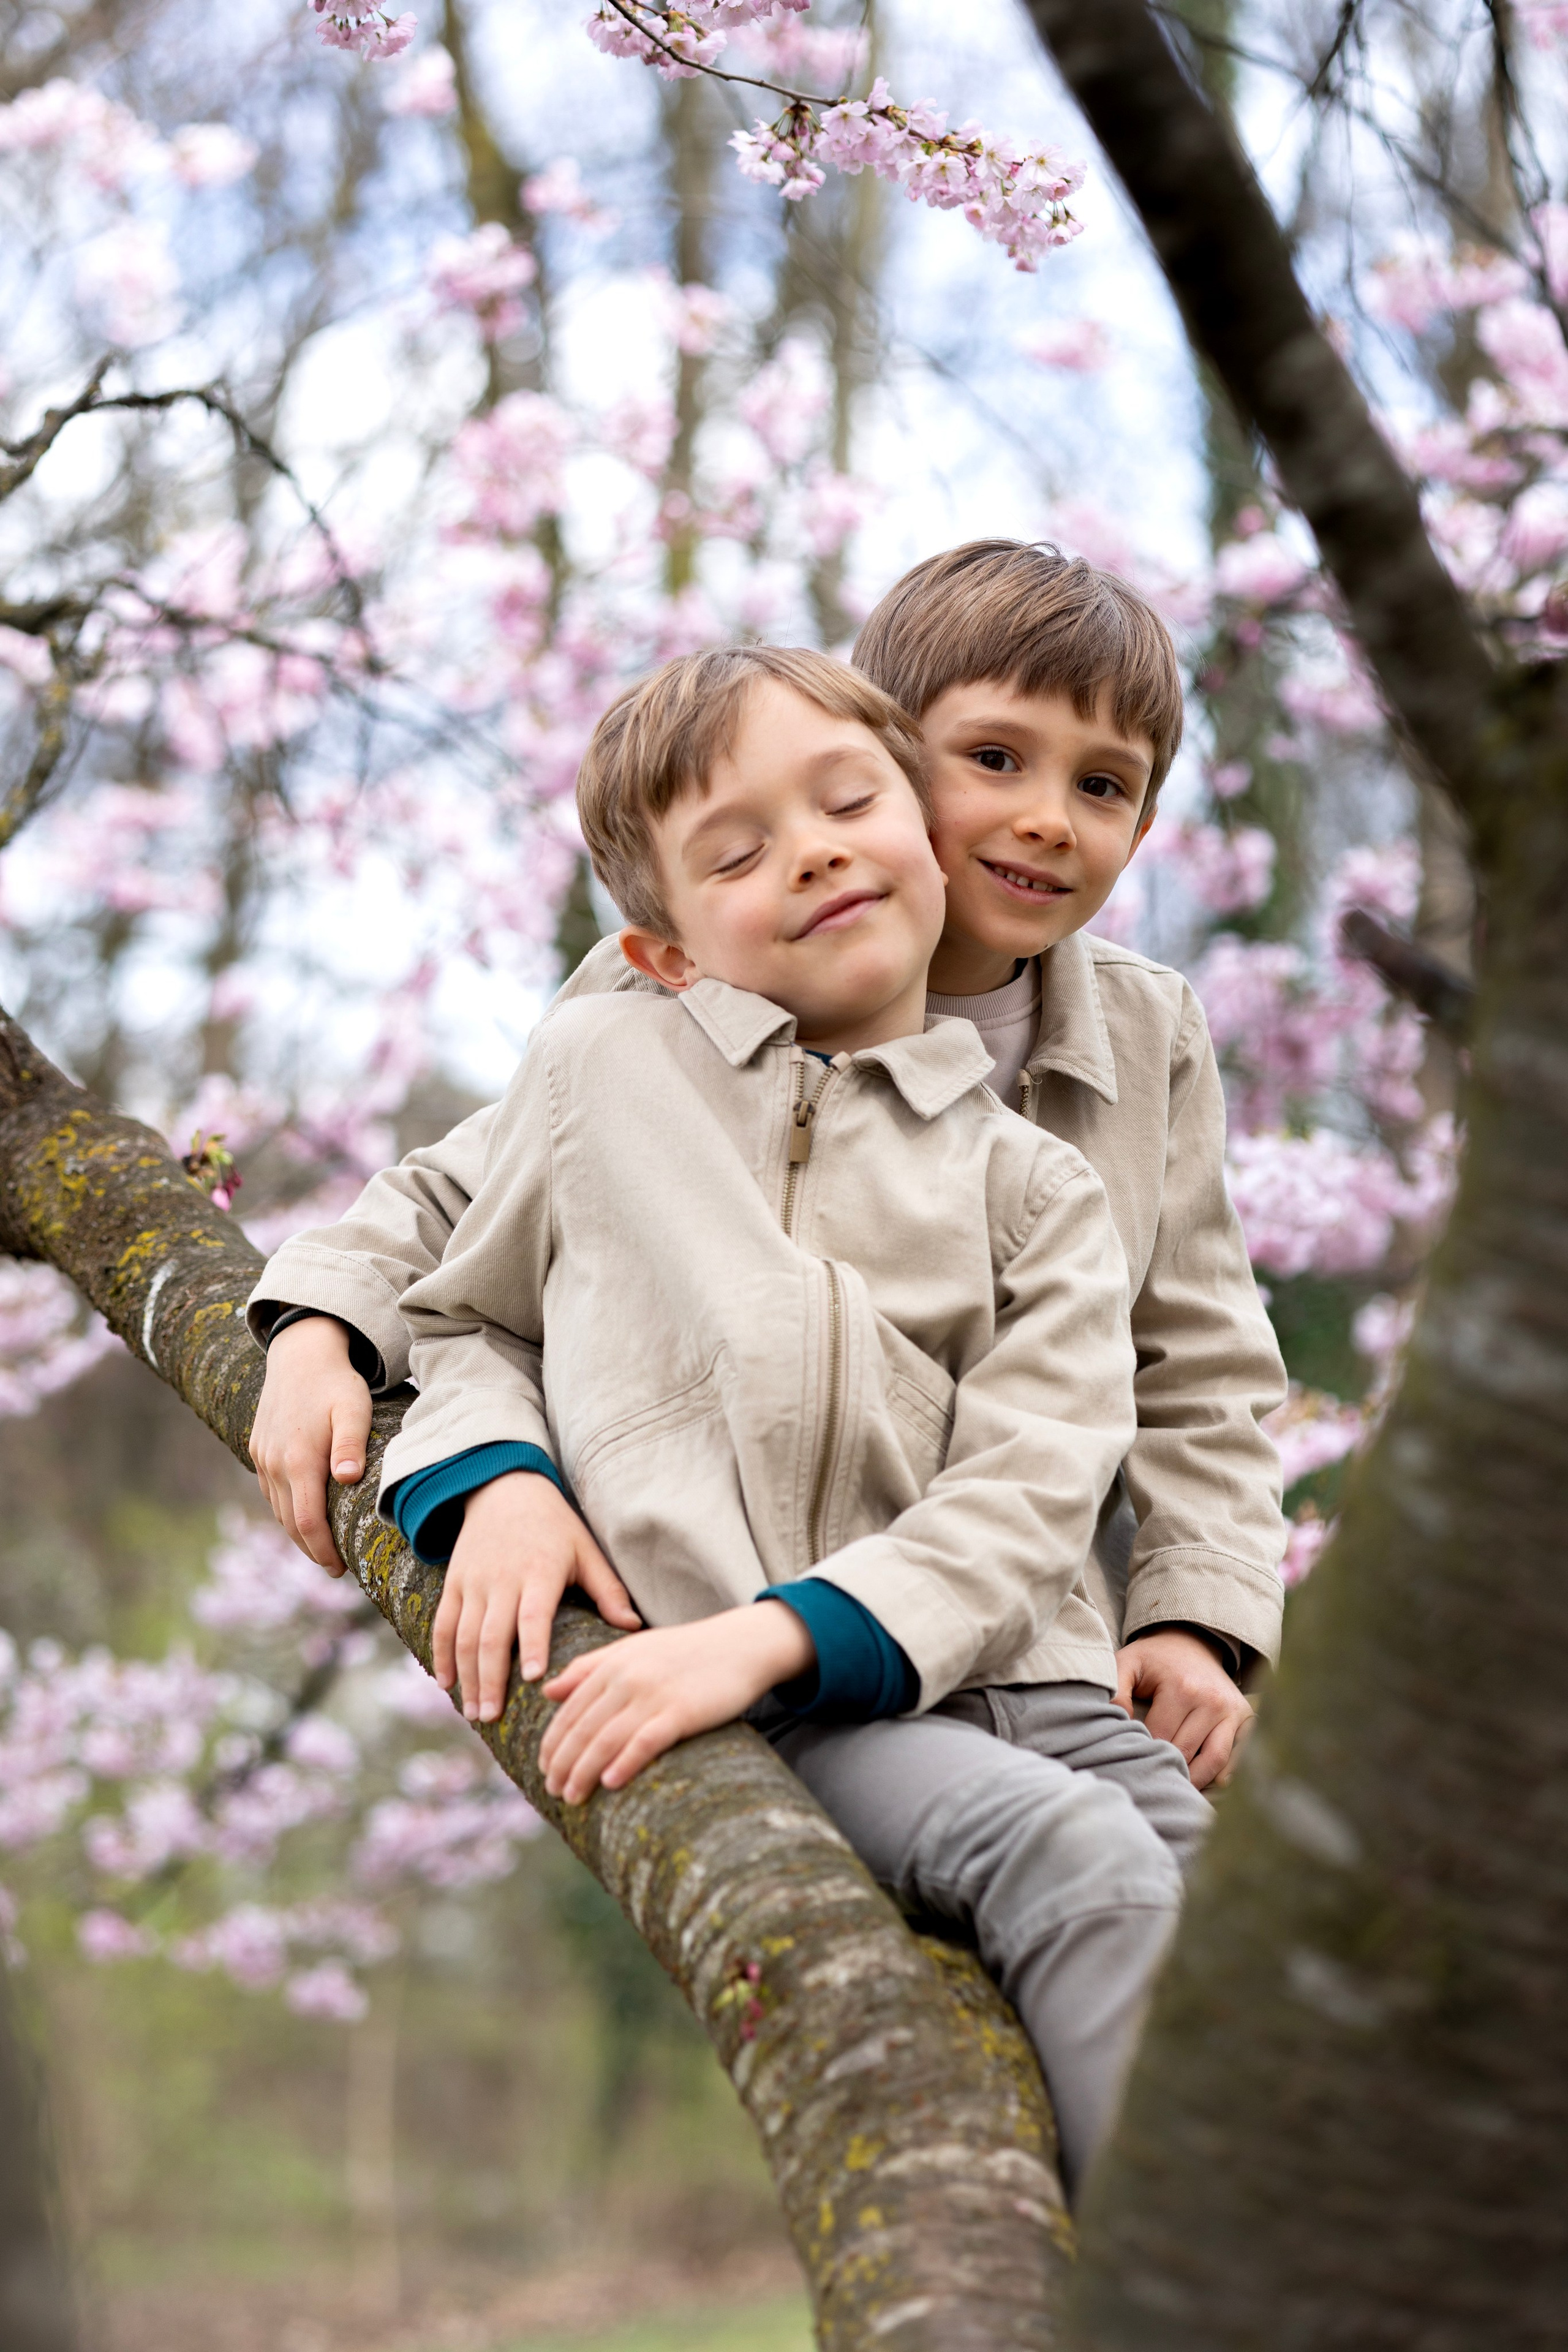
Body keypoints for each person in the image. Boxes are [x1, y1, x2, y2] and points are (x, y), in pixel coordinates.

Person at [358, 643, 1203, 2196]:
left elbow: (1039, 1479)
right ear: (667, 952)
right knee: (1079, 1867)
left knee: (1274, 1936)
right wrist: (495, 1481)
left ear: (924, 836)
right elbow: (461, 1306)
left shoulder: (1034, 1184)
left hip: (1033, 1672)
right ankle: (1183, 2290)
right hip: (799, 1705)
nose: (809, 852)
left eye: (845, 803)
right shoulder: (606, 1073)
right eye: (735, 854)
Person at [250, 541, 1287, 1793]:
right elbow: (471, 1198)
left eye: (1104, 785)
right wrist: (318, 1331)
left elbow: (1197, 1360)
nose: (1048, 819)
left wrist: (1194, 1614)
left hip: (1008, 1617)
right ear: (886, 756)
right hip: (739, 1590)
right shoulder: (693, 982)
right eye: (995, 760)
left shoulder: (1145, 1032)